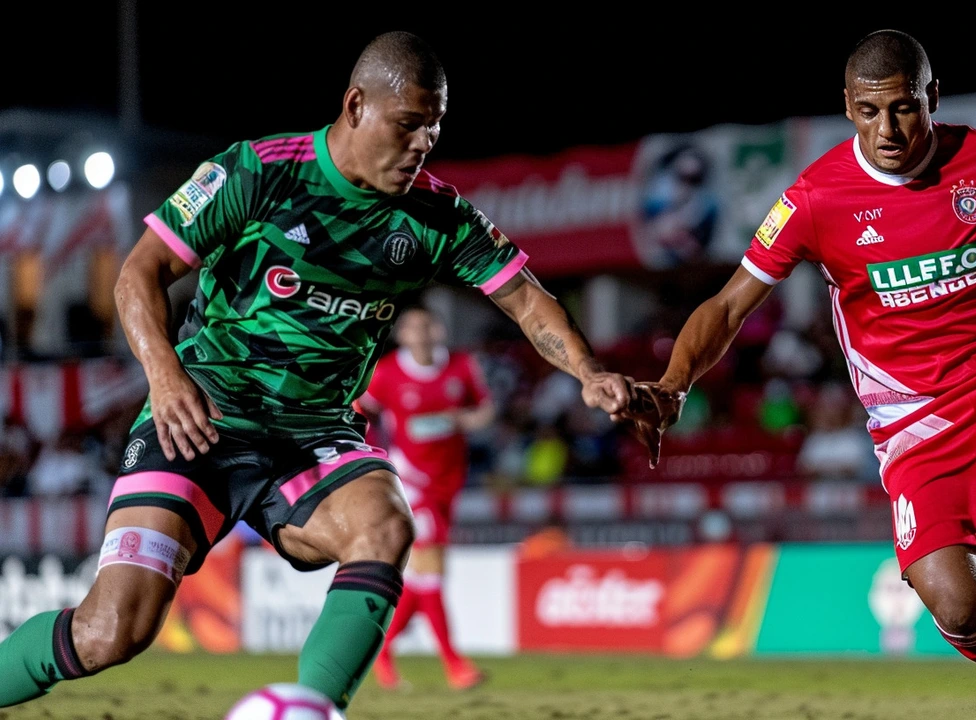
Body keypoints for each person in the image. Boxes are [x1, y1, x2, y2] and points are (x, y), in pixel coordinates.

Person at [0, 31, 633, 712]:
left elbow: (528, 301)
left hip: (313, 434)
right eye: (409, 123)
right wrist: (163, 374)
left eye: (436, 126)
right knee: (110, 633)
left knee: (386, 527)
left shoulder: (435, 215)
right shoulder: (260, 172)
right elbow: (139, 273)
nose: (424, 143)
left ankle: (307, 710)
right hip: (200, 419)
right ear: (356, 105)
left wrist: (589, 373)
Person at [620, 30, 976, 720]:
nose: (888, 129)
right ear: (847, 107)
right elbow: (728, 304)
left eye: (903, 108)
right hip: (913, 421)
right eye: (869, 112)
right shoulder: (815, 200)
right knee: (959, 610)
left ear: (933, 98)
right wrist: (676, 382)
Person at [357, 306, 494, 691]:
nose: (422, 332)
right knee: (431, 571)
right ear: (401, 335)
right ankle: (455, 666)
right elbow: (358, 409)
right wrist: (375, 457)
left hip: (449, 481)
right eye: (413, 327)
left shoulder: (462, 366)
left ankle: (379, 651)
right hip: (412, 480)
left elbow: (485, 410)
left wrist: (466, 420)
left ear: (440, 329)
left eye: (428, 325)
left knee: (424, 578)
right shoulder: (386, 372)